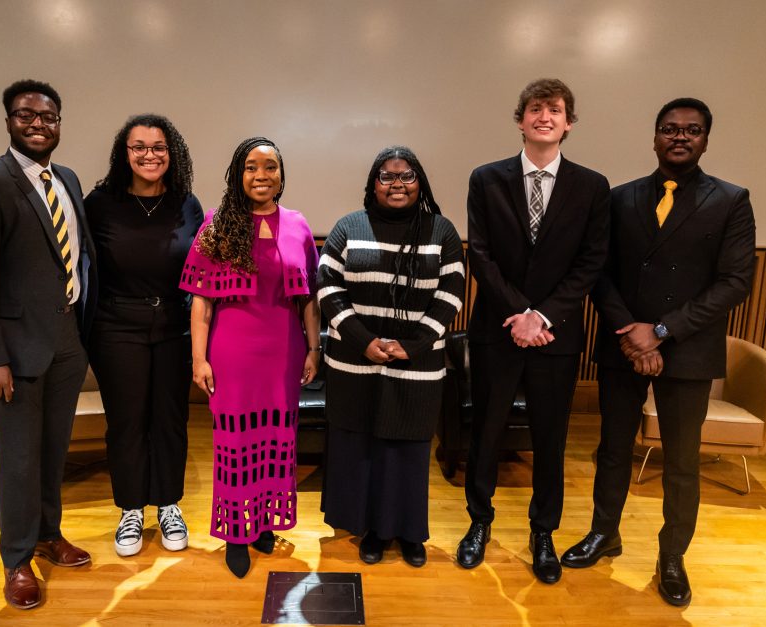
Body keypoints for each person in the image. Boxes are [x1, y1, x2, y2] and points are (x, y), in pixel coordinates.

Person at [561, 98, 756, 606]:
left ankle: (672, 556)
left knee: (682, 462)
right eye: (669, 129)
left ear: (705, 140)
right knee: (612, 450)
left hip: (688, 349)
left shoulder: (731, 200)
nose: (679, 137)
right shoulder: (619, 198)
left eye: (691, 130)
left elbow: (735, 282)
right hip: (623, 346)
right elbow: (597, 271)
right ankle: (605, 534)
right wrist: (630, 330)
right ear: (654, 137)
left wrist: (663, 331)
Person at [0, 79, 96, 610]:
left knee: (53, 451)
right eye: (26, 115)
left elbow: (76, 259)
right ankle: (16, 560)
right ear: (9, 120)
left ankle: (48, 535)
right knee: (17, 459)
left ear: (60, 122)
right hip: (12, 353)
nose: (38, 124)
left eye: (48, 117)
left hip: (64, 344)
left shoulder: (69, 180)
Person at [456, 78, 610, 584]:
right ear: (521, 119)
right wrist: (519, 314)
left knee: (550, 437)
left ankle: (543, 530)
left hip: (556, 335)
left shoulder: (592, 186)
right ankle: (479, 521)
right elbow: (480, 253)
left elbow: (590, 263)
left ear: (569, 123)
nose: (545, 116)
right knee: (487, 431)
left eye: (556, 110)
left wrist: (540, 317)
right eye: (536, 108)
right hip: (497, 329)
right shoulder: (486, 178)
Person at [180, 137, 321, 578]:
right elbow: (201, 304)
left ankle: (261, 524)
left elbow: (309, 299)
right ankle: (234, 535)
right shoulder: (217, 225)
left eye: (270, 167)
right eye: (251, 167)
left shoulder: (297, 224)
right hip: (232, 356)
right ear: (238, 175)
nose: (261, 175)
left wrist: (314, 348)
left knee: (276, 442)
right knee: (236, 445)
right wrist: (198, 360)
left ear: (282, 174)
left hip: (283, 353)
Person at [318, 146, 465, 567]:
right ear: (373, 183)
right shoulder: (349, 226)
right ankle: (371, 531)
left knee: (406, 452)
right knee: (363, 448)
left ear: (420, 183)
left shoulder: (443, 231)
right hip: (355, 362)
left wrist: (414, 344)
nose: (397, 184)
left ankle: (408, 532)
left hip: (416, 365)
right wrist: (364, 340)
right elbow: (328, 288)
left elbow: (450, 295)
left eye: (407, 176)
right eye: (387, 176)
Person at [85, 114, 204, 557]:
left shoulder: (186, 204)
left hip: (174, 325)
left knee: (170, 418)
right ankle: (131, 509)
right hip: (116, 327)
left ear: (171, 154)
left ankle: (169, 504)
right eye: (139, 147)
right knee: (128, 421)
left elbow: (200, 270)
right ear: (124, 153)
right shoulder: (99, 203)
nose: (149, 155)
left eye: (158, 147)